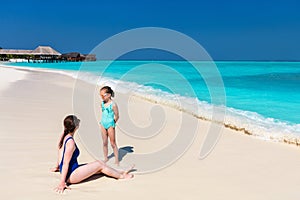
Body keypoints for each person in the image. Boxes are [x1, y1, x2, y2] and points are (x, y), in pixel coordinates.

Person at [54, 115, 133, 194]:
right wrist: (62, 182)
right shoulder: (70, 143)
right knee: (99, 165)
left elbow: (60, 151)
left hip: (69, 170)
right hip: (71, 175)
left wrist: (57, 167)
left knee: (100, 164)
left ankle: (120, 172)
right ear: (76, 126)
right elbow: (65, 163)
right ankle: (121, 176)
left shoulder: (63, 135)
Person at [99, 86, 120, 165]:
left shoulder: (113, 104)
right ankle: (105, 158)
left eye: (103, 95)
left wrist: (113, 123)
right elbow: (103, 112)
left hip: (110, 124)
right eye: (100, 96)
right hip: (103, 124)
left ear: (109, 95)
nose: (101, 97)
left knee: (113, 143)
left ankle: (117, 160)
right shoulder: (102, 104)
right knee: (104, 142)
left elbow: (117, 115)